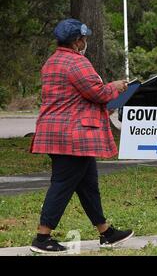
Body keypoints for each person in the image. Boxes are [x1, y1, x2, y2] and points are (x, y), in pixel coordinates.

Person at [30, 19, 133, 253]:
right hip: (73, 135)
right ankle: (42, 237)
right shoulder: (77, 62)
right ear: (77, 41)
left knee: (88, 185)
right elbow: (97, 93)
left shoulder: (52, 61)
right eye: (83, 39)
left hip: (54, 131)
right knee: (62, 184)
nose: (85, 42)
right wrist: (116, 86)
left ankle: (106, 233)